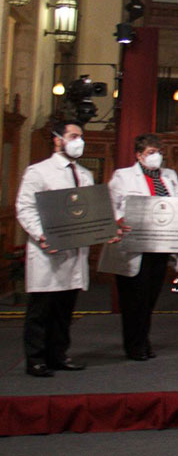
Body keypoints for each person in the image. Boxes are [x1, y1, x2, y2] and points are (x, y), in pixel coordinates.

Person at [100, 133, 178, 360]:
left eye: (159, 152)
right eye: (150, 153)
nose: (156, 157)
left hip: (160, 246)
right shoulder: (122, 177)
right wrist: (118, 221)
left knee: (150, 298)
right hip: (134, 247)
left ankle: (143, 340)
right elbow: (110, 207)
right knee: (133, 299)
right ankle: (134, 345)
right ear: (139, 155)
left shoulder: (170, 176)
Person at [15, 120, 103, 376]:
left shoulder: (84, 174)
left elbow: (89, 211)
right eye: (74, 136)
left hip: (74, 251)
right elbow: (25, 207)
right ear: (57, 139)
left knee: (65, 309)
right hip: (48, 252)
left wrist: (103, 229)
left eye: (81, 137)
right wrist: (42, 235)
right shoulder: (38, 172)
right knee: (41, 309)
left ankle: (58, 354)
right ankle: (36, 359)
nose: (79, 141)